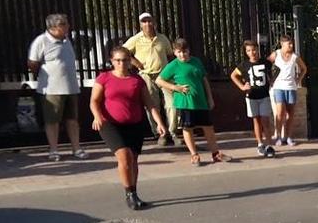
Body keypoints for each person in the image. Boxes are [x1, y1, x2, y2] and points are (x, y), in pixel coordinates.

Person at [90, 46, 167, 209]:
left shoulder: (137, 80)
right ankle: (129, 194)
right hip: (110, 124)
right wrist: (97, 117)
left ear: (130, 61)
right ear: (112, 61)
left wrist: (159, 123)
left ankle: (134, 191)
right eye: (118, 60)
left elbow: (149, 104)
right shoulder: (104, 78)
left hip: (135, 124)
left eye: (125, 60)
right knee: (124, 156)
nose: (121, 63)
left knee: (133, 160)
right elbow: (94, 101)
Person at [157, 39, 231, 166]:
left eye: (184, 51)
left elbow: (204, 80)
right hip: (185, 102)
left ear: (189, 51)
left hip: (200, 100)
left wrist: (210, 97)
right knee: (187, 127)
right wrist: (175, 88)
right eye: (179, 52)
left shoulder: (196, 62)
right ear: (174, 52)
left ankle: (215, 153)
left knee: (208, 127)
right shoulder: (173, 65)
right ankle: (194, 154)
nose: (182, 55)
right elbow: (159, 80)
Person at [27, 13, 87, 161]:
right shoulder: (41, 41)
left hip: (71, 87)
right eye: (65, 24)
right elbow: (32, 63)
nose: (68, 26)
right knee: (52, 121)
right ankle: (54, 150)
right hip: (52, 89)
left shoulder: (66, 40)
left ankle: (76, 148)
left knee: (72, 119)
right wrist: (44, 75)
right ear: (55, 27)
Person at [123, 12, 178, 147]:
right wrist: (136, 63)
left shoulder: (162, 38)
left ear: (154, 23)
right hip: (146, 75)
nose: (147, 24)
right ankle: (160, 133)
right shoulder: (136, 39)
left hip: (164, 75)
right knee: (152, 105)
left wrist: (173, 72)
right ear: (140, 24)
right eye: (144, 21)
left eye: (149, 21)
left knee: (172, 104)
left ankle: (173, 132)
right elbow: (122, 51)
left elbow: (171, 55)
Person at [230, 40, 276, 158]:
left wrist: (272, 80)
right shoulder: (244, 65)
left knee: (266, 120)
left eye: (254, 50)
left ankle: (269, 145)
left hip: (264, 95)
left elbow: (276, 70)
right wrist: (242, 86)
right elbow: (233, 75)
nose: (252, 52)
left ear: (257, 49)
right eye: (249, 50)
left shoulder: (265, 63)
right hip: (251, 97)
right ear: (246, 52)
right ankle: (260, 144)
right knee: (256, 120)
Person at [268, 35, 307, 146]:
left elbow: (304, 68)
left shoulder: (294, 57)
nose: (291, 46)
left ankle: (288, 137)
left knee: (290, 114)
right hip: (278, 87)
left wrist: (298, 79)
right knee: (280, 113)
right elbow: (266, 65)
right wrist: (270, 79)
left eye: (292, 43)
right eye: (288, 44)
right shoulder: (276, 54)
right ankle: (279, 136)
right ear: (282, 44)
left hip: (291, 87)